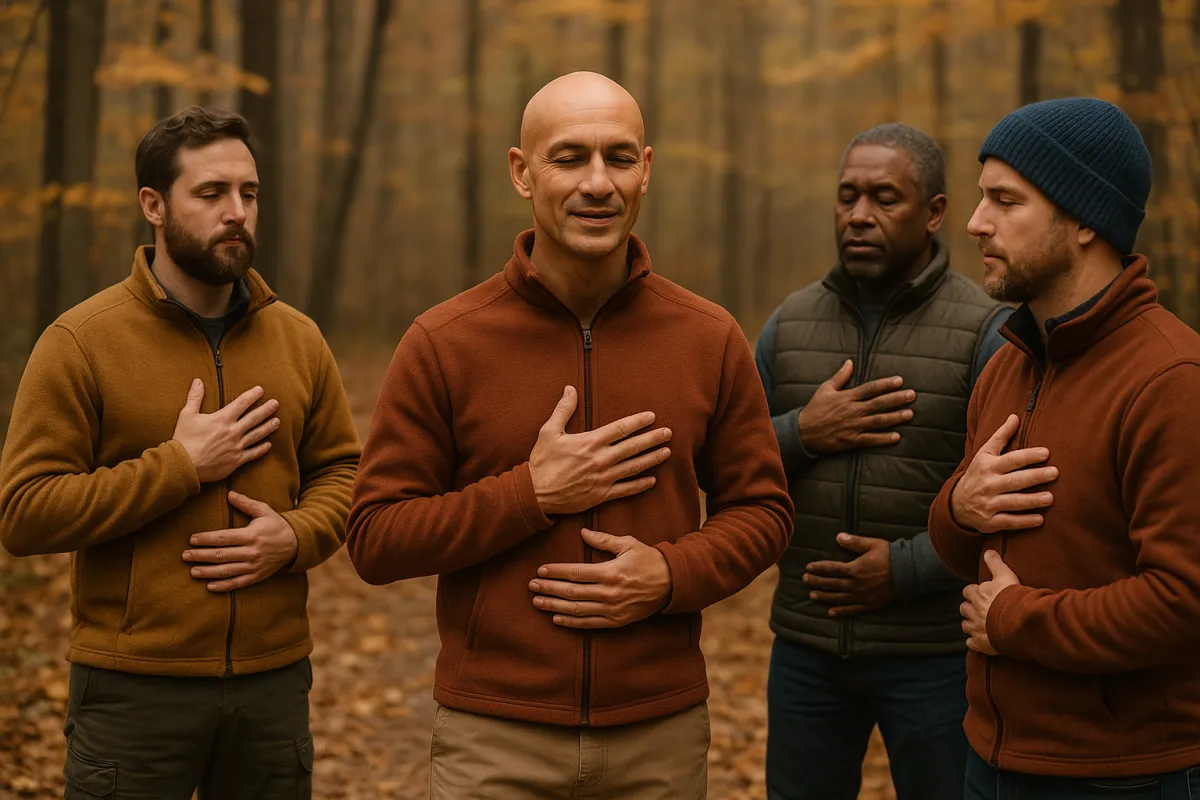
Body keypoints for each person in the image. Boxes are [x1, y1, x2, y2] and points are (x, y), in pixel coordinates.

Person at [346, 71, 793, 799]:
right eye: (568, 157)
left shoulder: (708, 337)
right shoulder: (444, 342)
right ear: (522, 173)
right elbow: (374, 537)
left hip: (660, 735)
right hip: (494, 738)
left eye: (618, 158)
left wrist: (669, 577)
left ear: (646, 169)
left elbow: (765, 512)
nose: (598, 183)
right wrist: (532, 493)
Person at [0, 107, 360, 799]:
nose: (237, 213)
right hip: (133, 691)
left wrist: (294, 535)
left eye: (248, 194)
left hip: (272, 684)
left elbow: (343, 472)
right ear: (153, 205)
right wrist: (179, 466)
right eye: (211, 193)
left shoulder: (299, 339)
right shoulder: (82, 341)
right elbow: (23, 513)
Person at [928, 97, 1200, 799]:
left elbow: (1182, 602)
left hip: (1124, 776)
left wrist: (1017, 620)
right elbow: (960, 550)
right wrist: (958, 506)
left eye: (1005, 201)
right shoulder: (1009, 362)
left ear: (1084, 219)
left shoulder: (1172, 380)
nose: (974, 223)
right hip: (989, 758)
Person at [756, 123, 1010, 800]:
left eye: (884, 198)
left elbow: (1017, 501)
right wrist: (804, 430)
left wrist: (903, 570)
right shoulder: (789, 324)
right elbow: (728, 467)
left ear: (934, 212)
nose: (860, 215)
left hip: (933, 654)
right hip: (806, 648)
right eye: (847, 197)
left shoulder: (988, 331)